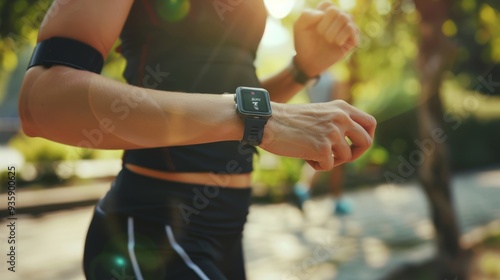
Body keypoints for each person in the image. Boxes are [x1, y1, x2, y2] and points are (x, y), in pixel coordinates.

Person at [18, 1, 376, 279]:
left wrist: (301, 70)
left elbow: (221, 101)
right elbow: (41, 101)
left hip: (228, 230)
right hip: (150, 234)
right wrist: (263, 119)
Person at [293, 72, 354, 215]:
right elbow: (337, 105)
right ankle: (337, 200)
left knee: (317, 158)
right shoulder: (333, 79)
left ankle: (302, 189)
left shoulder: (311, 80)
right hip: (331, 125)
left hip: (315, 122)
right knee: (338, 162)